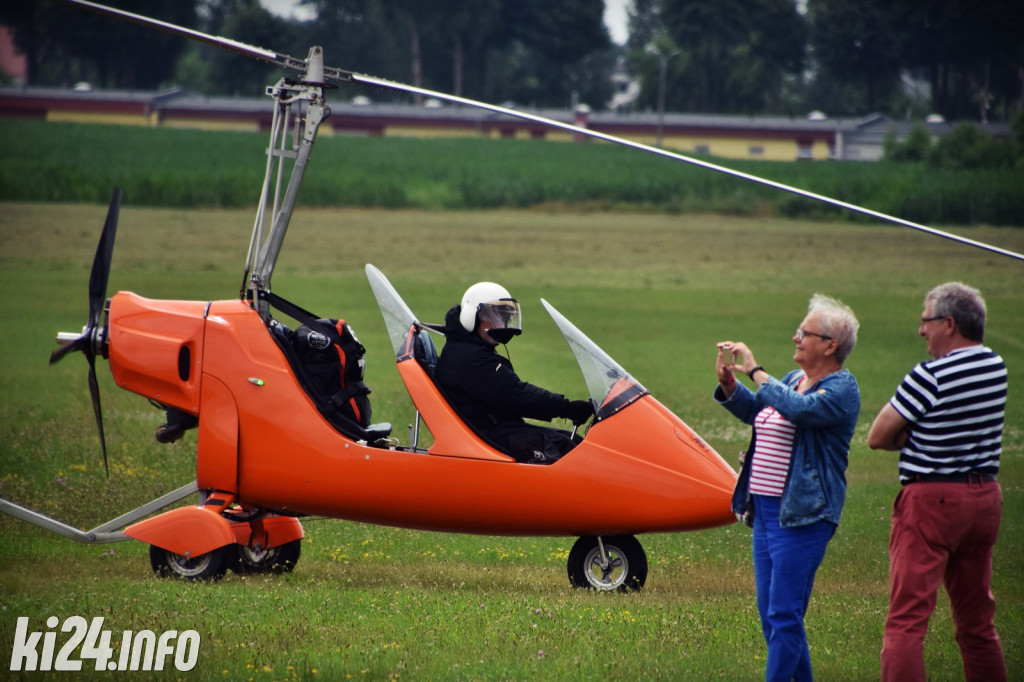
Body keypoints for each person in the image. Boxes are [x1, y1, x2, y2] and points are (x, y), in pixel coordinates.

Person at [714, 294, 861, 682]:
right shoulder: (795, 380)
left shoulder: (842, 389)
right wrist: (732, 388)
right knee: (774, 616)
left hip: (803, 515)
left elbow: (801, 412)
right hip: (763, 511)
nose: (796, 338)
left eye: (804, 333)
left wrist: (756, 371)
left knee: (783, 614)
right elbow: (763, 411)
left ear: (830, 345)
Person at [867, 282, 1007, 682]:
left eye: (925, 321)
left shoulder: (930, 374)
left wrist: (917, 434)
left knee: (906, 623)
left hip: (932, 502)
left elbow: (878, 436)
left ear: (949, 323)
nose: (920, 330)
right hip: (984, 498)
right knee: (978, 623)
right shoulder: (996, 366)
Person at [435, 281, 594, 464]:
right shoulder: (469, 359)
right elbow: (515, 394)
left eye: (503, 317)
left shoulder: (469, 348)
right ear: (471, 317)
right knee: (563, 447)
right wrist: (565, 408)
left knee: (572, 441)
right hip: (484, 435)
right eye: (493, 316)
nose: (500, 323)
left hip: (493, 428)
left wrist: (564, 408)